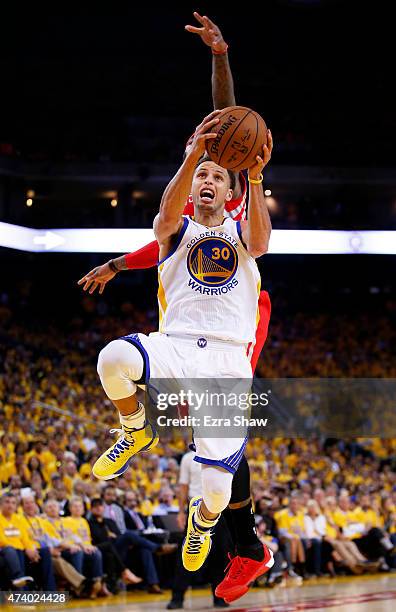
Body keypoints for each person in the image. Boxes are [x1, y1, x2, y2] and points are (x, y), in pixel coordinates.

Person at [78, 12, 273, 604]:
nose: (212, 180)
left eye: (222, 175)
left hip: (234, 347)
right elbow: (210, 148)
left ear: (234, 186)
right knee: (113, 357)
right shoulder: (176, 224)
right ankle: (135, 427)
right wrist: (195, 157)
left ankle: (214, 524)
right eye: (203, 175)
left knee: (216, 480)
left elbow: (227, 127)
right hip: (178, 341)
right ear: (192, 183)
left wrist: (221, 58)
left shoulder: (241, 223)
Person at [88, 498, 143, 593]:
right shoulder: (89, 523)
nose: (98, 509)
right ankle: (125, 572)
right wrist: (109, 536)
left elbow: (118, 535)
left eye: (100, 506)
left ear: (104, 508)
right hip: (99, 548)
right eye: (95, 507)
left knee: (126, 542)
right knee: (113, 545)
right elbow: (97, 539)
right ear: (91, 509)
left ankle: (112, 586)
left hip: (113, 548)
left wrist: (112, 536)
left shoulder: (109, 521)